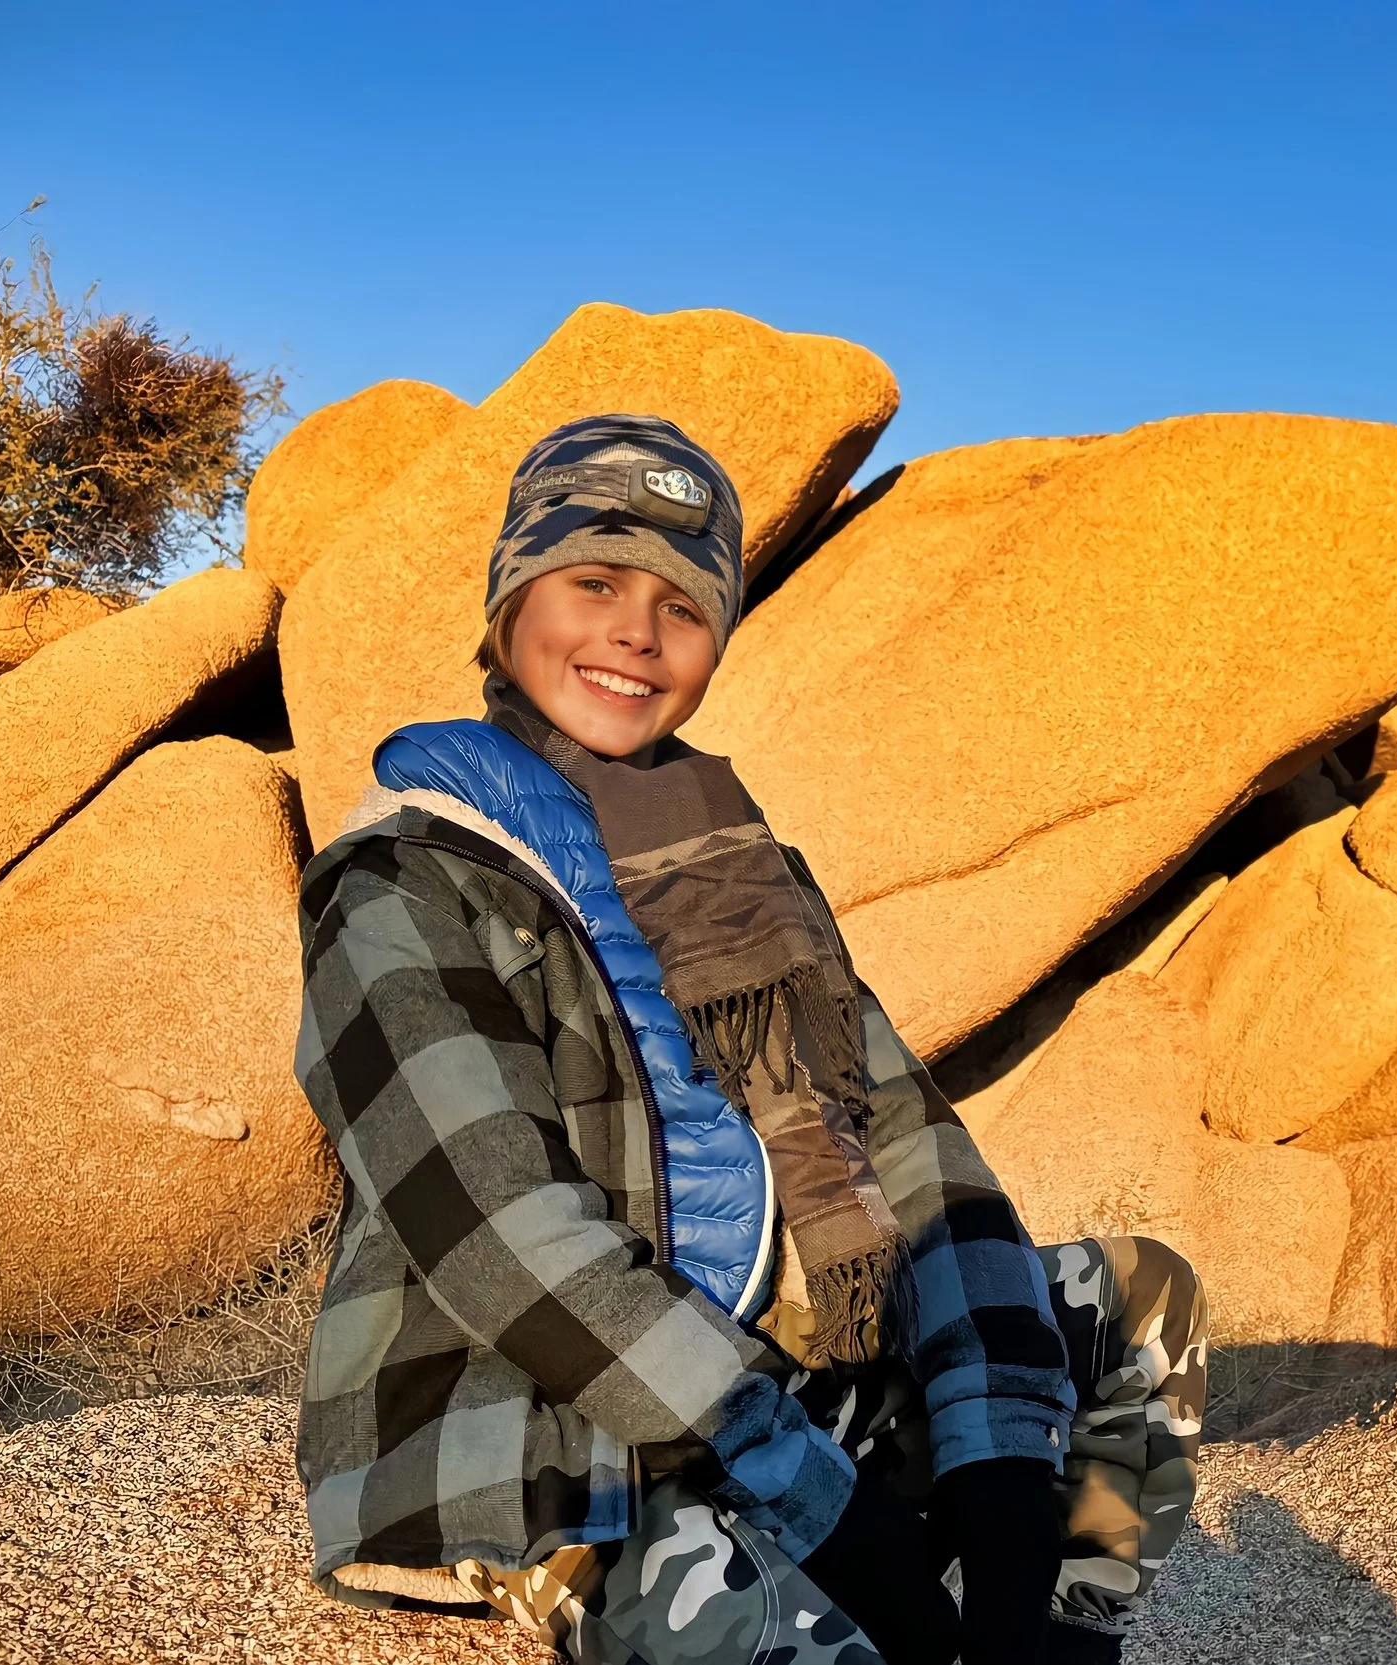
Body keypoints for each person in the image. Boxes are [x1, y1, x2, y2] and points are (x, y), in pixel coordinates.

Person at [291, 413, 1206, 1665]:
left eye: (683, 606)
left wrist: (999, 1474)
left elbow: (910, 1143)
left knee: (1137, 1299)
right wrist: (817, 1496)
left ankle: (1041, 1635)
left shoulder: (740, 868)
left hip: (778, 1367)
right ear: (509, 605)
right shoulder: (405, 873)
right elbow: (503, 1236)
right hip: (559, 1424)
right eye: (593, 582)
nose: (636, 632)